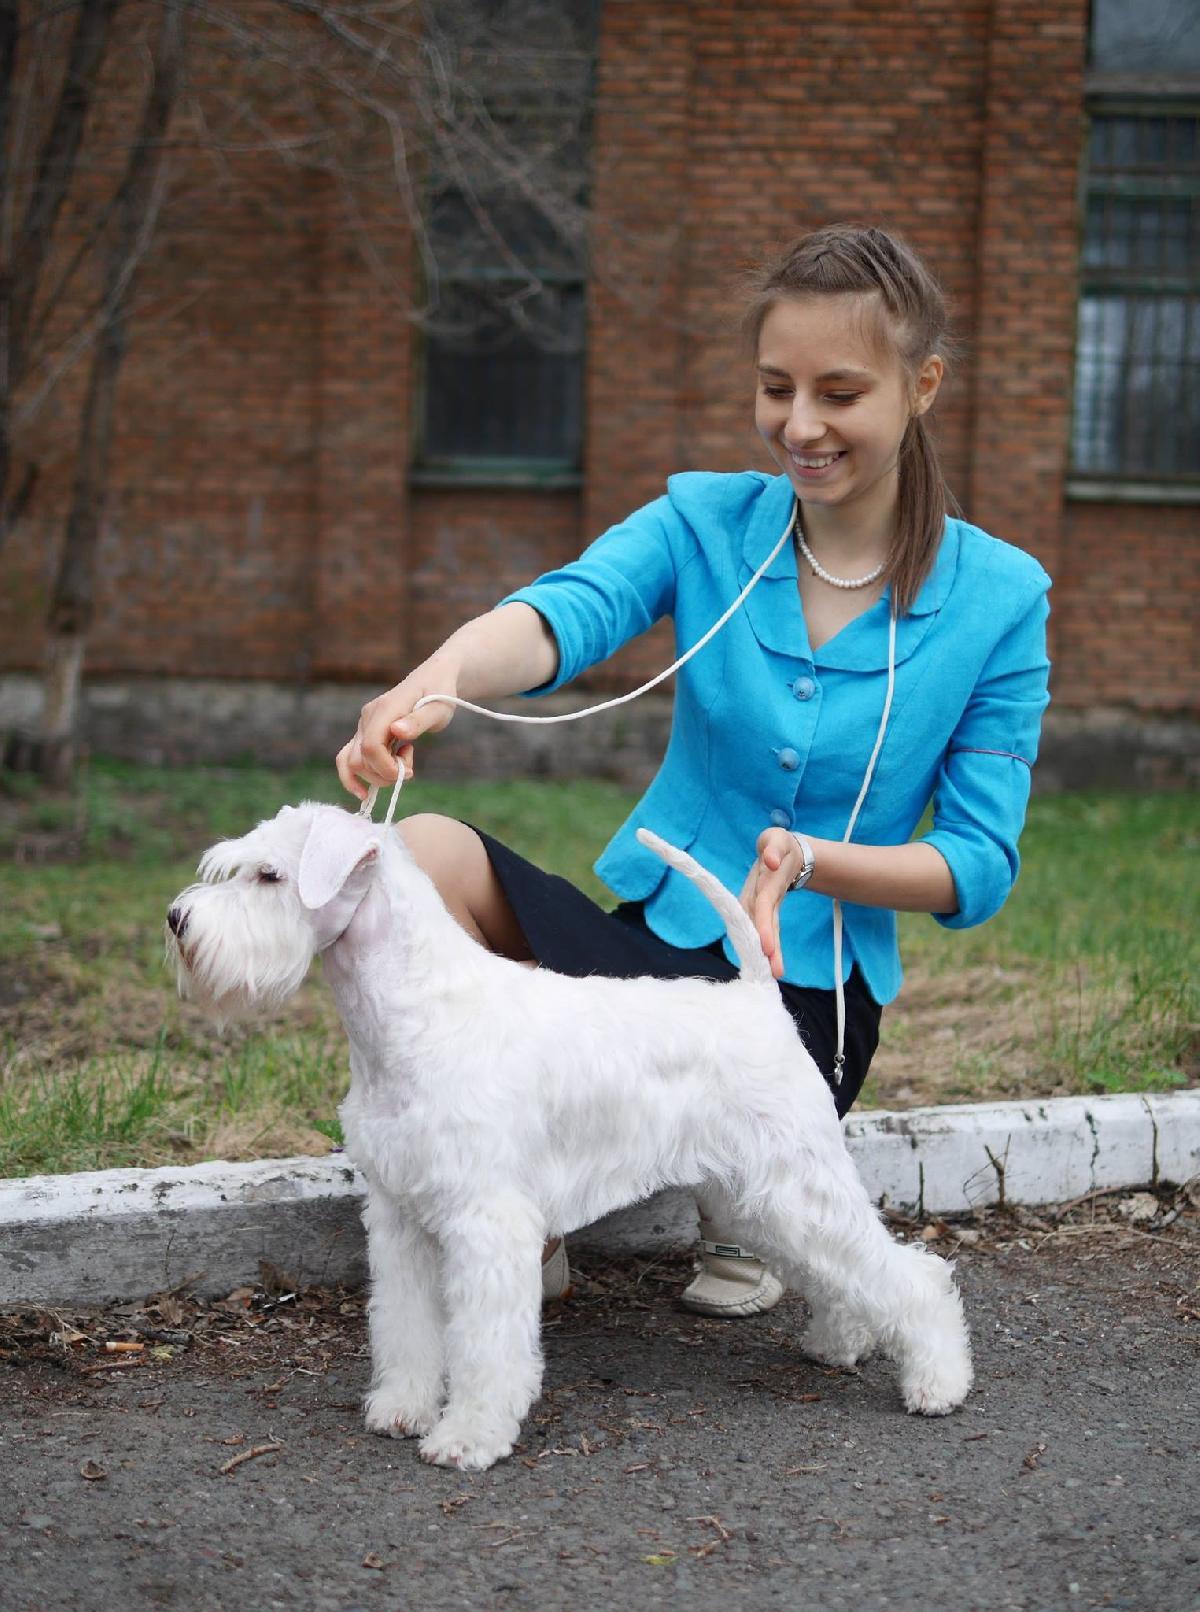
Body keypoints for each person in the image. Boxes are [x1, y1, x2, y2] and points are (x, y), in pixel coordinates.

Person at [336, 223, 1051, 1318]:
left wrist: (813, 861)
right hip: (645, 966)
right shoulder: (704, 520)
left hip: (804, 999)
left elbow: (979, 864)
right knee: (418, 854)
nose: (799, 426)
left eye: (840, 393)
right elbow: (570, 611)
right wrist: (437, 679)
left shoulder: (1002, 600)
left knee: (760, 1189)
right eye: (775, 388)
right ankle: (510, 1210)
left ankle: (750, 1206)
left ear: (923, 387)